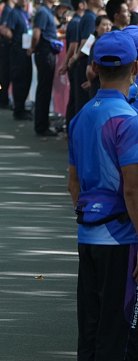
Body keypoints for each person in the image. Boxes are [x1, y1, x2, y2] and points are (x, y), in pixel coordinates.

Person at [67, 30, 138, 359]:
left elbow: (73, 184)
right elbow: (132, 188)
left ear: (94, 67)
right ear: (134, 67)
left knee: (90, 328)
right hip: (122, 237)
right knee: (116, 330)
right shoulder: (129, 120)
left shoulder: (80, 117)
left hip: (88, 233)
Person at [29, 0, 61, 136]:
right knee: (44, 89)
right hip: (44, 52)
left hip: (47, 52)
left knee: (45, 89)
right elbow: (36, 34)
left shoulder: (48, 11)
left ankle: (42, 124)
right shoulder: (43, 11)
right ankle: (41, 126)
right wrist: (33, 48)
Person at [63, 0, 87, 124]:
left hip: (73, 64)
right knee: (75, 98)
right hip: (75, 65)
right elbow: (73, 46)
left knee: (74, 97)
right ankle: (71, 128)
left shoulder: (77, 21)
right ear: (81, 5)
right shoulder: (77, 22)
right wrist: (68, 62)